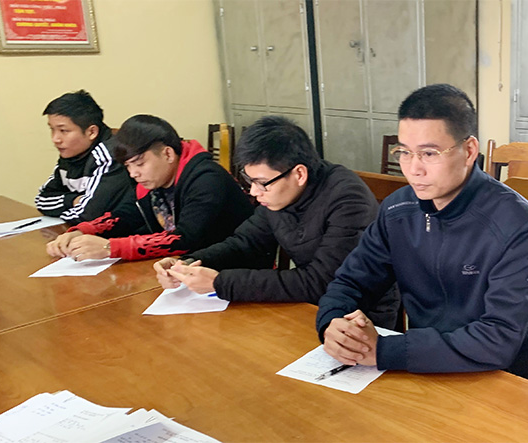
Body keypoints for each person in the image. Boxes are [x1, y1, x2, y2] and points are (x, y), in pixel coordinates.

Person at [316, 84, 528, 383]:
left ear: (469, 151)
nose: (414, 169)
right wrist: (332, 322)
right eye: (404, 152)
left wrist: (385, 350)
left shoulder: (517, 223)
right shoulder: (397, 210)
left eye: (429, 153)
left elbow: (498, 338)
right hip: (426, 364)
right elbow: (351, 281)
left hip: (503, 376)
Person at [154, 116, 399, 328]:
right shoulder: (278, 195)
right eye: (250, 181)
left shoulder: (347, 199)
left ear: (299, 174)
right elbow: (245, 243)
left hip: (360, 318)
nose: (253, 192)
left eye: (261, 183)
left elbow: (321, 282)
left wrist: (220, 283)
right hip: (306, 308)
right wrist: (189, 263)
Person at [46, 114, 255, 261]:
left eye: (139, 164)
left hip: (237, 266)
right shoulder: (153, 181)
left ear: (167, 154)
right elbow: (127, 214)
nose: (133, 173)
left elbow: (185, 239)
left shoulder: (206, 178)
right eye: (128, 166)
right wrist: (82, 231)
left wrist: (111, 248)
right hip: (187, 267)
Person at [35, 90, 135, 224]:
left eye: (63, 130)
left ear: (92, 132)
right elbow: (41, 200)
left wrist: (72, 206)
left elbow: (89, 214)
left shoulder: (110, 155)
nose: (55, 139)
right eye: (52, 129)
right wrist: (73, 200)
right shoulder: (71, 154)